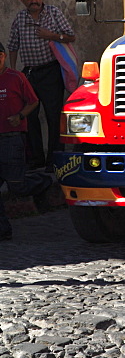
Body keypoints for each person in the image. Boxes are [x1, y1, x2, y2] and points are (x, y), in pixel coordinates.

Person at [8, 0, 75, 169]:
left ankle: (54, 160)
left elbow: (71, 36)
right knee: (30, 117)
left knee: (54, 116)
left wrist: (51, 35)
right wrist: (14, 73)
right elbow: (13, 46)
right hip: (29, 74)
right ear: (22, 1)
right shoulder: (20, 18)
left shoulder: (53, 13)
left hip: (51, 72)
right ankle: (36, 159)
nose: (33, 1)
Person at [0, 42, 52, 241]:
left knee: (17, 187)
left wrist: (20, 116)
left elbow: (33, 101)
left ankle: (44, 183)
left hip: (12, 140)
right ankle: (3, 230)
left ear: (3, 57)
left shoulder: (16, 77)